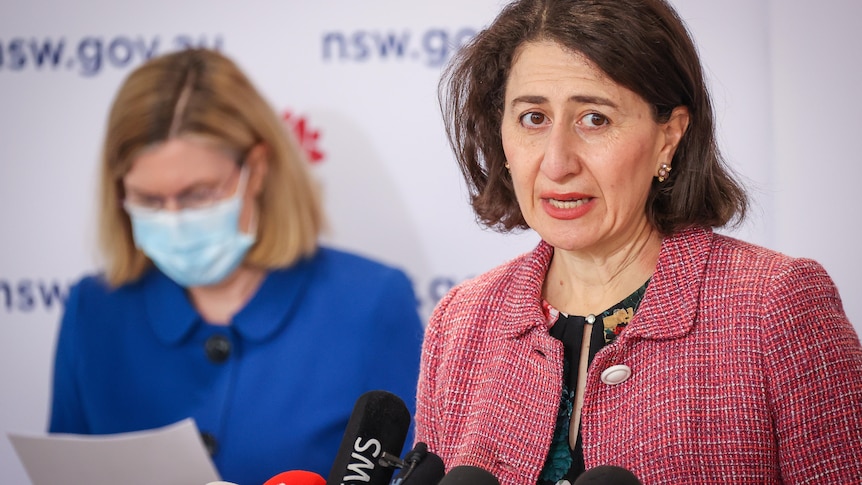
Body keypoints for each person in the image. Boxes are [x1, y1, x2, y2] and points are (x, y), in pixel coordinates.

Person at [414, 0, 862, 484]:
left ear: (668, 136)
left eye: (595, 119)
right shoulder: (462, 322)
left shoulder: (775, 303)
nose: (558, 162)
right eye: (533, 119)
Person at [49, 48, 424, 485]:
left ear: (257, 169)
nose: (173, 218)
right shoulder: (92, 311)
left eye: (199, 193)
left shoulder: (370, 303)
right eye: (149, 200)